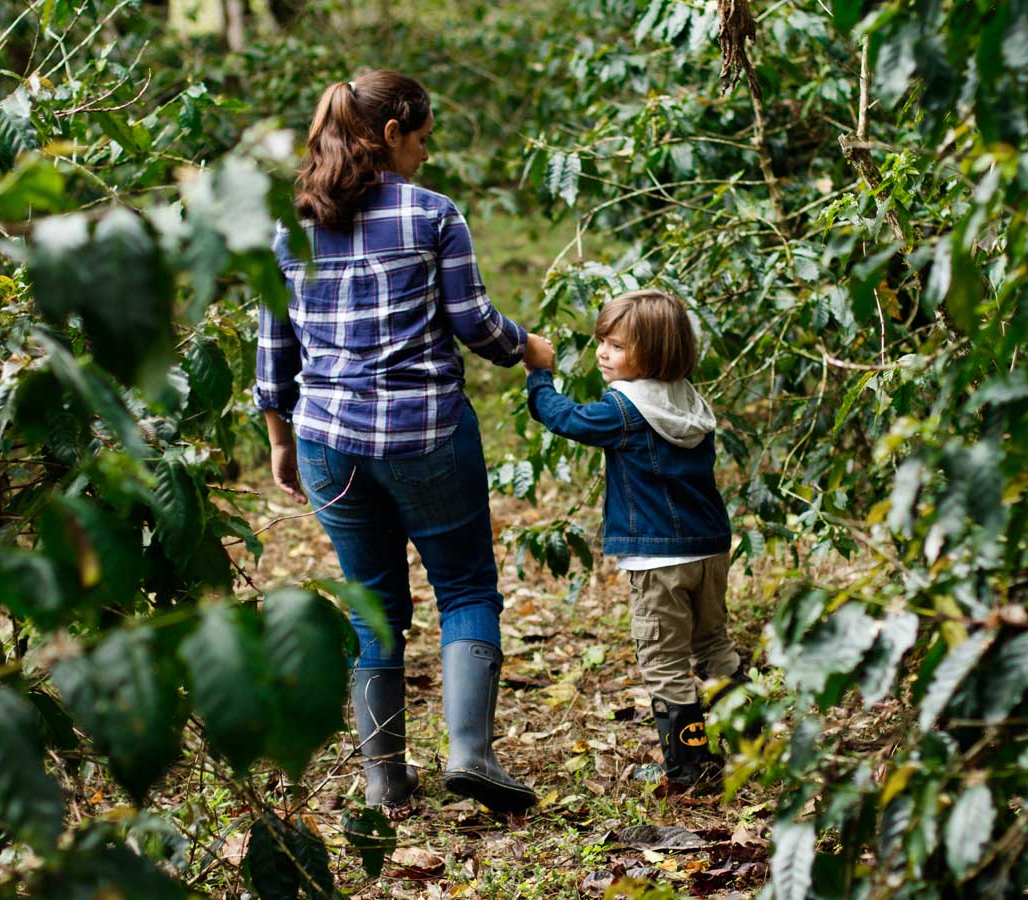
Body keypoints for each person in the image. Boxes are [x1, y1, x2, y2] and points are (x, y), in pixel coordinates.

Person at [255, 70, 553, 813]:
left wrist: (279, 442)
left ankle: (385, 780)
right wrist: (531, 349)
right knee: (465, 588)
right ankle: (471, 755)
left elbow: (273, 353)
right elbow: (476, 324)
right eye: (421, 139)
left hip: (328, 442)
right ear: (391, 134)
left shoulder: (286, 229)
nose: (425, 154)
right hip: (427, 434)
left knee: (374, 608)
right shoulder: (433, 215)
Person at [524, 290, 742, 787]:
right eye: (602, 341)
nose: (602, 352)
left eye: (617, 346)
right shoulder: (688, 399)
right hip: (709, 548)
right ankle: (755, 737)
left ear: (655, 353)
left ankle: (690, 768)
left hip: (658, 561)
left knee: (664, 661)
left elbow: (563, 418)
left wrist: (539, 374)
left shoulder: (625, 409)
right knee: (714, 643)